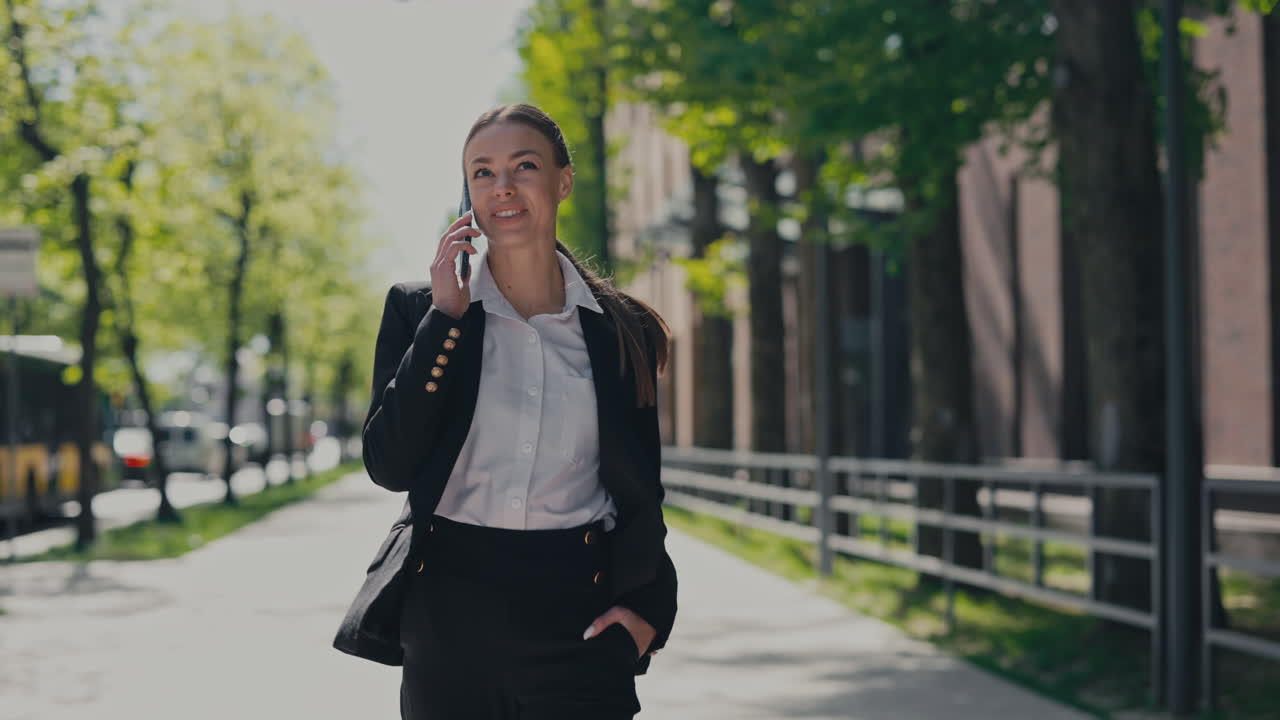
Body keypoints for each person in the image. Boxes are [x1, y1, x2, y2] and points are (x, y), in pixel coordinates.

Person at [354, 103, 678, 719]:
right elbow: (390, 465)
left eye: (523, 166)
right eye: (482, 172)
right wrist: (443, 322)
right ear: (467, 192)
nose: (502, 186)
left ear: (562, 181)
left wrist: (649, 612)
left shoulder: (620, 330)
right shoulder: (419, 311)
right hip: (448, 611)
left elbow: (641, 489)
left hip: (577, 614)